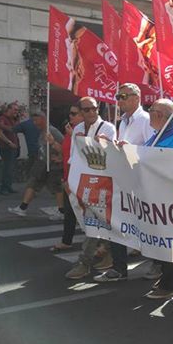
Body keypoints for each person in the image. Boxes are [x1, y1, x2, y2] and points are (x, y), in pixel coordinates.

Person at [94, 84, 153, 283]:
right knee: (118, 222)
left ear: (136, 98)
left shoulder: (146, 120)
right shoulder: (123, 122)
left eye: (123, 96)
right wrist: (109, 143)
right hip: (123, 179)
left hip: (141, 182)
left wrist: (132, 149)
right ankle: (119, 267)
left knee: (146, 225)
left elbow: (153, 150)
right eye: (118, 96)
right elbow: (122, 149)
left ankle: (161, 265)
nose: (119, 100)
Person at [137, 99, 173, 296]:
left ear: (160, 115)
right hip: (156, 195)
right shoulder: (158, 134)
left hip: (171, 198)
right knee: (161, 238)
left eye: (151, 111)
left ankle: (169, 283)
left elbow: (170, 163)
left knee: (170, 239)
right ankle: (167, 274)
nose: (148, 114)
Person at [64, 98, 118, 279]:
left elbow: (112, 154)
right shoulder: (78, 129)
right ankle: (106, 253)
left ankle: (85, 262)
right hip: (84, 180)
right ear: (81, 112)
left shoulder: (108, 128)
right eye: (86, 110)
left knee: (93, 222)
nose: (91, 112)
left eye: (94, 108)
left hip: (103, 182)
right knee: (93, 222)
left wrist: (105, 144)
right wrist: (70, 180)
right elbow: (74, 156)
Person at [7, 111, 64, 219]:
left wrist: (60, 157)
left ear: (43, 119)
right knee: (33, 183)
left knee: (56, 187)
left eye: (36, 120)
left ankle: (62, 211)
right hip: (42, 163)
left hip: (53, 165)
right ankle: (22, 208)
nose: (34, 123)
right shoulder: (42, 131)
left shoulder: (52, 131)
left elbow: (64, 144)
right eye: (33, 120)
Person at [53, 103, 84, 254]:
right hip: (68, 174)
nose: (70, 116)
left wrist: (74, 136)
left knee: (82, 211)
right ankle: (67, 241)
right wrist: (53, 143)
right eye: (70, 113)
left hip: (78, 177)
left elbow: (83, 153)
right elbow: (66, 152)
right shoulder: (70, 131)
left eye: (74, 113)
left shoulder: (81, 132)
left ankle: (99, 244)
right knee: (70, 211)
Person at [0, 102, 20, 195]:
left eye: (17, 110)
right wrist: (9, 143)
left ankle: (8, 186)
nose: (16, 112)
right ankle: (4, 188)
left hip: (13, 147)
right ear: (9, 109)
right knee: (7, 168)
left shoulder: (12, 119)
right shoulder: (2, 119)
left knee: (10, 168)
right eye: (15, 109)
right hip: (6, 147)